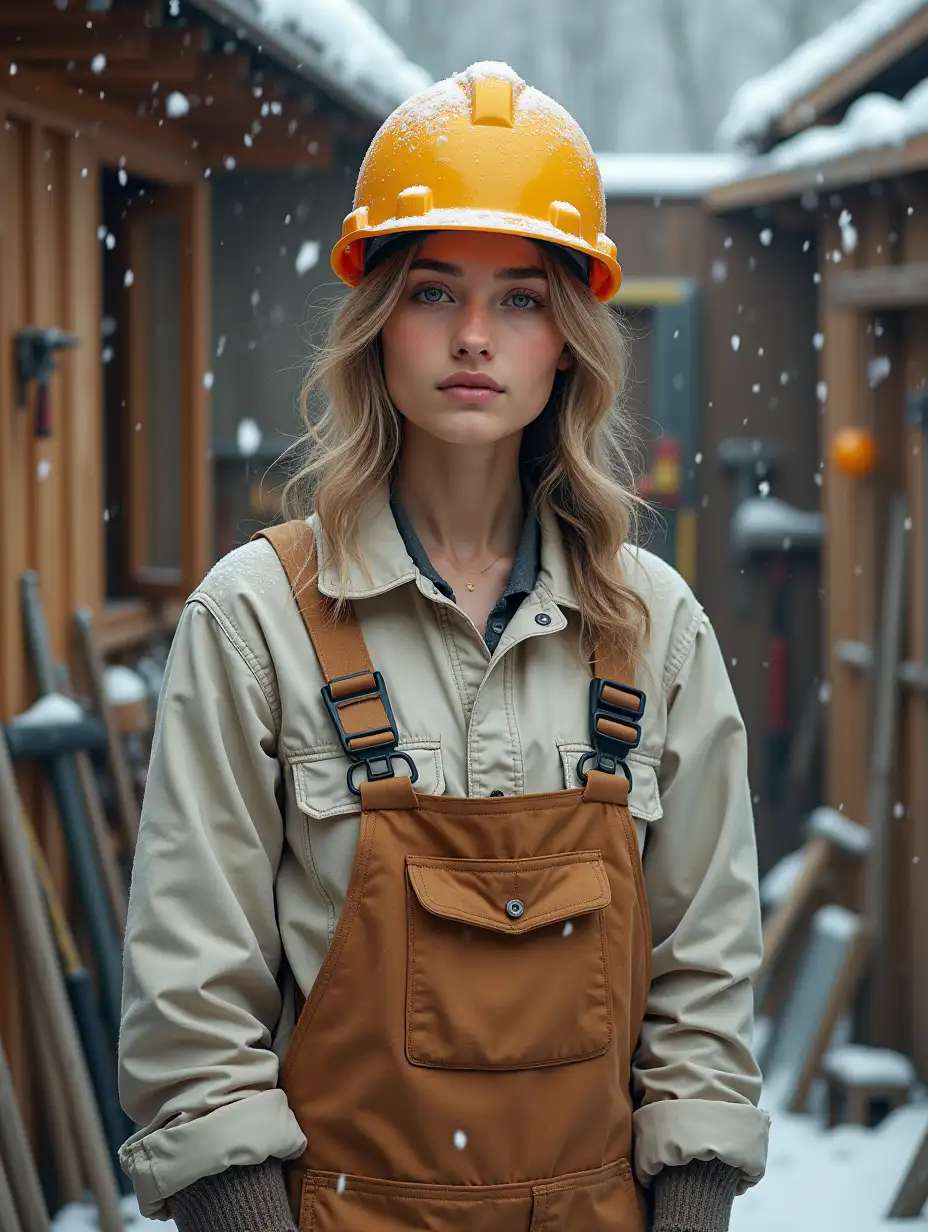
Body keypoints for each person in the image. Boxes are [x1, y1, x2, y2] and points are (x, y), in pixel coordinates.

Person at [118, 61, 769, 1232]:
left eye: (520, 298)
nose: (475, 336)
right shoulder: (257, 618)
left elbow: (703, 981)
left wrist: (695, 1203)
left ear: (568, 338)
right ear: (376, 322)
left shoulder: (656, 626)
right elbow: (189, 1000)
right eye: (433, 293)